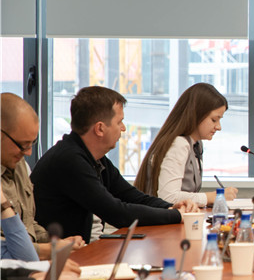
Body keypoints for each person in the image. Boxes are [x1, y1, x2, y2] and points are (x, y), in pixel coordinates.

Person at [31, 86, 199, 242]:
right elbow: (117, 213)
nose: (123, 128)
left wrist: (171, 207)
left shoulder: (95, 158)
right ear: (100, 129)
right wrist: (176, 215)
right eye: (119, 122)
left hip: (84, 248)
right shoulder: (69, 160)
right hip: (63, 254)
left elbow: (131, 196)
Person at [1, 93, 86, 258]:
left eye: (32, 143)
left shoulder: (19, 165)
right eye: (23, 145)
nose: (28, 152)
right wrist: (52, 249)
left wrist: (57, 242)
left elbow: (28, 225)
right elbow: (6, 250)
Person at [134, 83, 237, 207]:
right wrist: (212, 197)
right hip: (160, 217)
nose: (218, 127)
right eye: (214, 120)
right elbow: (168, 197)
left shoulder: (196, 144)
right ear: (197, 115)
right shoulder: (179, 144)